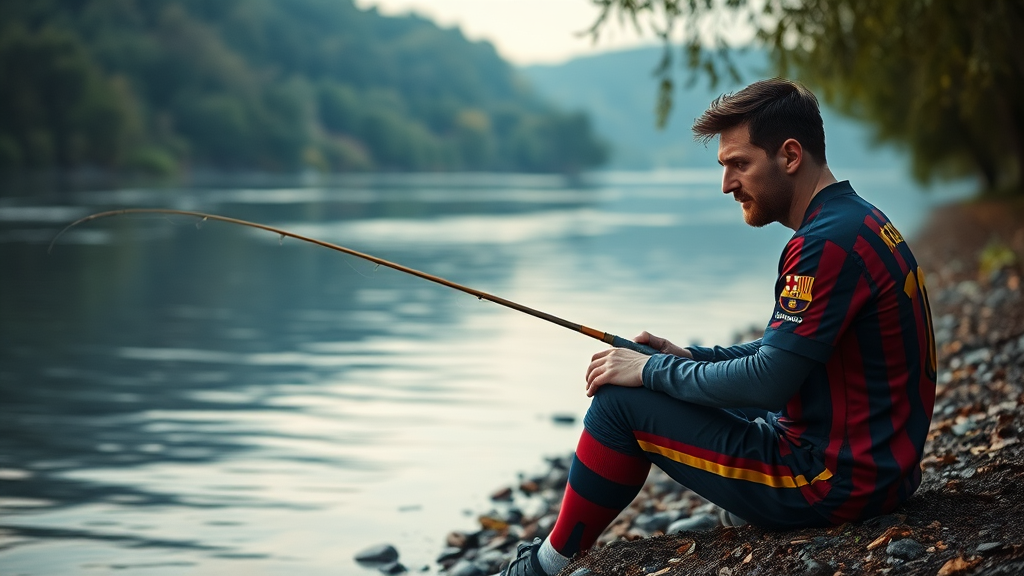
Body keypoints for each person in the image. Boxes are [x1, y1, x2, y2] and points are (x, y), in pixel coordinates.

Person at [500, 78, 937, 576]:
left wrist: (649, 373)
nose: (727, 184)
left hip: (831, 483)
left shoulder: (822, 245)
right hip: (882, 471)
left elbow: (771, 381)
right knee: (658, 378)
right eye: (724, 166)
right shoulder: (857, 221)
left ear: (790, 156)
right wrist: (684, 358)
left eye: (739, 164)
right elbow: (789, 349)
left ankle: (545, 565)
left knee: (621, 403)